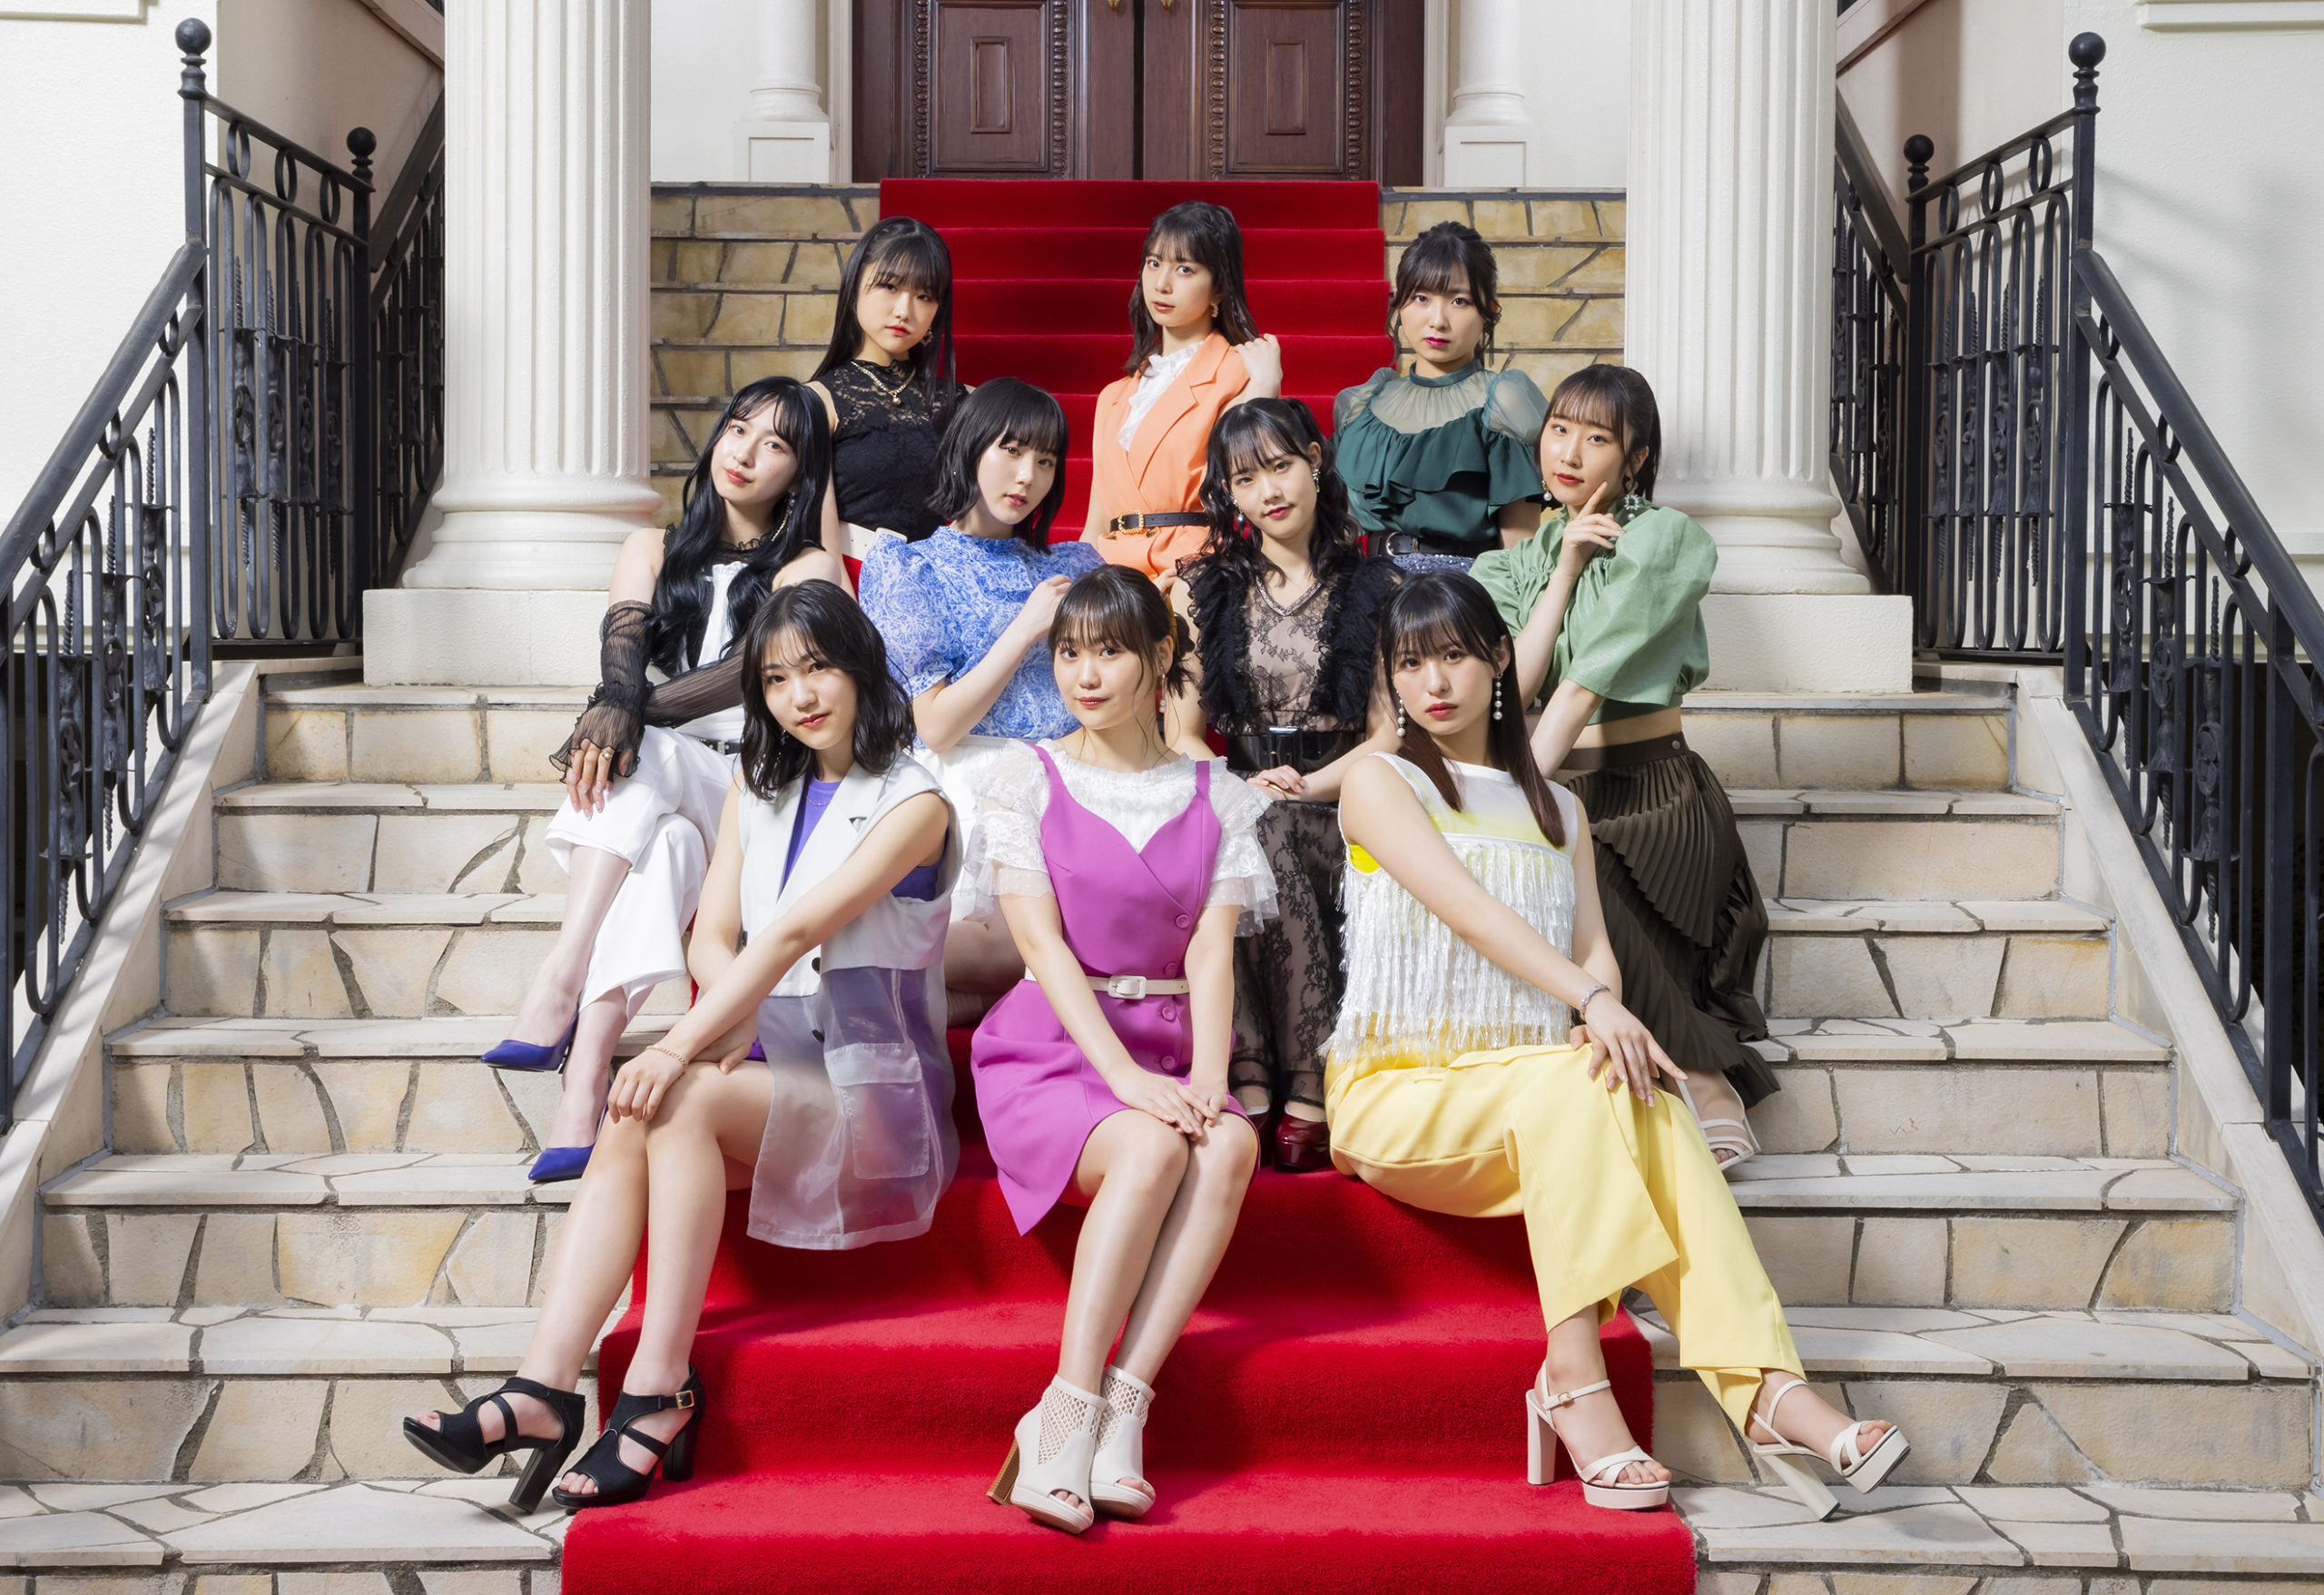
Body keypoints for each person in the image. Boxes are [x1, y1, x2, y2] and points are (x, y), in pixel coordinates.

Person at [1325, 571, 1906, 1519]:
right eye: (1409, 662)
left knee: (1650, 1097)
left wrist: (1600, 1011)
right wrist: (1593, 1001)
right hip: (1401, 1091)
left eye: (1454, 655)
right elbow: (1468, 911)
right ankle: (1573, 1373)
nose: (1432, 681)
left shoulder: (1559, 808)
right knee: (1581, 1080)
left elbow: (1594, 946)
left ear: (1499, 660)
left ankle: (1767, 1387)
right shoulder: (1379, 781)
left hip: (1532, 1089)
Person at [403, 583, 957, 1511]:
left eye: (818, 667)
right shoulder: (758, 783)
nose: (799, 695)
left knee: (676, 1092)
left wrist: (686, 1039)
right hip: (775, 1068)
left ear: (861, 665)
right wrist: (731, 1016)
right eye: (774, 678)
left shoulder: (917, 800)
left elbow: (794, 932)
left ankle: (658, 1386)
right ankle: (543, 1385)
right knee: (633, 1120)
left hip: (873, 1092)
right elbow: (715, 932)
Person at [484, 376, 847, 1182]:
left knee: (641, 744)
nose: (746, 453)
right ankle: (586, 1078)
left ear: (800, 473)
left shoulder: (809, 566)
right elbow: (620, 659)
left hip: (758, 791)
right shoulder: (650, 548)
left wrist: (620, 717)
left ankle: (563, 970)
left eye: (776, 444)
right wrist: (614, 708)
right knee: (670, 848)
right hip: (671, 796)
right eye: (738, 429)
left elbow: (744, 676)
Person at [971, 566, 1269, 1533]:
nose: (1085, 674)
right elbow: (1041, 947)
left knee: (1228, 1141)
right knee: (1147, 1147)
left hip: (1170, 1045)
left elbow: (1212, 953)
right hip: (1052, 1050)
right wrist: (1126, 1078)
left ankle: (1124, 1405)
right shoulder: (1025, 777)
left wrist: (1211, 1078)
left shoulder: (1217, 793)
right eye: (1069, 653)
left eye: (1109, 651)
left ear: (1159, 657)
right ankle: (1062, 1409)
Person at [1471, 363, 1775, 1167]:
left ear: (1635, 457)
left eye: (1597, 437)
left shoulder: (1663, 540)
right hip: (1570, 781)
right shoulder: (1511, 563)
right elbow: (1514, 691)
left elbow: (1576, 693)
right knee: (1554, 860)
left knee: (1573, 864)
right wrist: (1563, 569)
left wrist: (1512, 802)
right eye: (1559, 430)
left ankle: (1707, 1076)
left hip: (1655, 793)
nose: (1569, 452)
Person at [1167, 399, 1398, 1171]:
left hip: (1343, 797)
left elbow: (1387, 736)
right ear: (1229, 493)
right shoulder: (1204, 589)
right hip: (1242, 791)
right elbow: (1180, 733)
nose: (1267, 489)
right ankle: (1261, 1066)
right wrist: (1240, 789)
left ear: (1314, 461)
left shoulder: (1374, 584)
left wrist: (1306, 787)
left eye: (1280, 465)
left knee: (1265, 830)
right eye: (1245, 478)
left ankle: (1291, 1072)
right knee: (1240, 833)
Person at [858, 378, 1103, 1019]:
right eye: (1011, 450)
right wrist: (1024, 629)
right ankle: (849, 953)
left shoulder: (1076, 565)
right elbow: (937, 725)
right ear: (969, 447)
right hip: (971, 781)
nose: (1027, 476)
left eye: (1046, 461)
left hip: (1069, 780)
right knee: (1022, 952)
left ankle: (870, 975)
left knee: (1037, 956)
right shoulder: (911, 567)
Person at [1083, 201, 1283, 583]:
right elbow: (1095, 523)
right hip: (1111, 579)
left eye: (1184, 269)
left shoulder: (1239, 372)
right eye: (1153, 263)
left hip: (1194, 571)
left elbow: (1240, 486)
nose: (1161, 284)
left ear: (1219, 288)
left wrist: (1263, 390)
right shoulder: (1112, 397)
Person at [1332, 222, 1547, 570]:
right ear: (1399, 303)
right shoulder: (1359, 406)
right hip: (1369, 586)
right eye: (1421, 298)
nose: (1437, 320)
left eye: (1459, 301)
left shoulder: (1504, 404)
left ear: (1489, 310)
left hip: (1461, 590)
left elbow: (1521, 555)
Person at [806, 215, 966, 570]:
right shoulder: (818, 401)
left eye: (924, 296)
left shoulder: (966, 404)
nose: (904, 311)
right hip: (848, 581)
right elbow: (814, 540)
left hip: (942, 584)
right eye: (890, 286)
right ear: (854, 288)